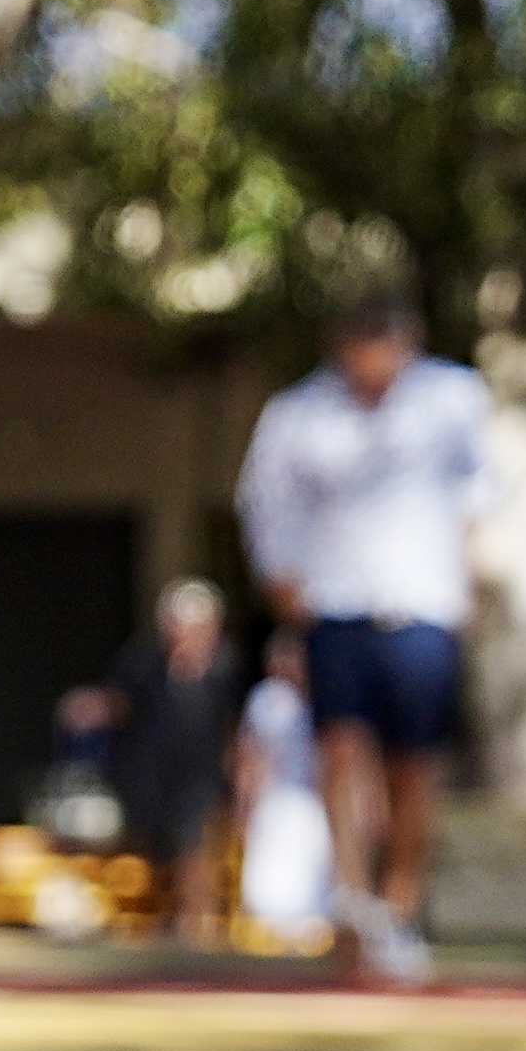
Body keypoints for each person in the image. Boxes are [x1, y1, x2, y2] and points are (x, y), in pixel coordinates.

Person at [234, 291, 495, 983]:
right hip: (336, 607)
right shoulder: (299, 413)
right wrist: (284, 582)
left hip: (422, 608)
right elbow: (265, 500)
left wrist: (469, 585)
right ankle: (352, 903)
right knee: (341, 750)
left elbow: (477, 499)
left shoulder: (453, 400)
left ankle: (398, 907)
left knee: (416, 763)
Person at [99, 578, 249, 940]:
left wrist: (241, 775)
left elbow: (236, 726)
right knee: (155, 848)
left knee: (195, 846)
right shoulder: (144, 661)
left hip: (203, 774)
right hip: (153, 773)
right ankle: (160, 922)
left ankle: (195, 924)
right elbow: (118, 704)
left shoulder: (225, 666)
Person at [233, 631, 340, 944]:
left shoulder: (327, 697)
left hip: (315, 800)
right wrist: (246, 802)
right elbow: (252, 757)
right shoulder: (268, 701)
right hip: (277, 801)